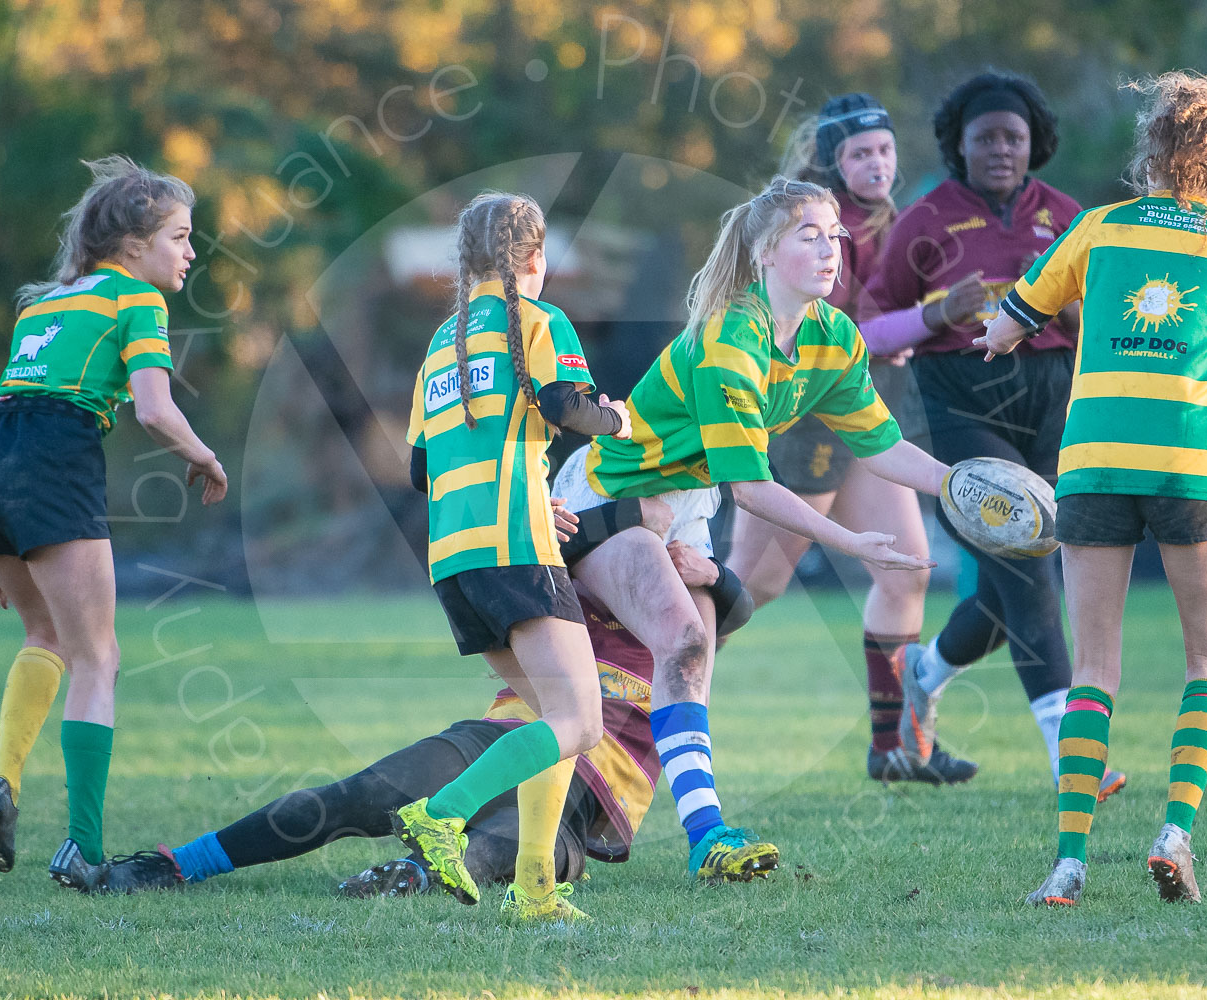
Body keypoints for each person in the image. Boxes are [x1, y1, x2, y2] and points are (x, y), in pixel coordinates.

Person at [552, 176, 948, 882]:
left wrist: (958, 483)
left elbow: (881, 446)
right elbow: (753, 488)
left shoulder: (833, 338)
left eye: (835, 236)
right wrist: (851, 543)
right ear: (764, 253)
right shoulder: (731, 337)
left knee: (691, 655)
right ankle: (694, 831)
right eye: (809, 236)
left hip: (688, 506)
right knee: (674, 642)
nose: (830, 250)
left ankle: (678, 828)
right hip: (612, 492)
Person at [103, 517, 758, 900]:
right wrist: (567, 522)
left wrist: (718, 575)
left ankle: (413, 874)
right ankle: (181, 862)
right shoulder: (570, 564)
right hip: (498, 736)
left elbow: (736, 612)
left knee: (512, 849)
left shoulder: (692, 613)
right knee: (361, 794)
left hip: (591, 787)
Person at [971, 72, 1207, 906]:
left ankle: (1068, 864)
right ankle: (1174, 834)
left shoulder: (1096, 228)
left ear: (1149, 153)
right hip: (1192, 465)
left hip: (1094, 463)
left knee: (1094, 669)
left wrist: (991, 333)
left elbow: (1007, 326)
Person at [0, 155, 228, 891]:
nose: (191, 252)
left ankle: (3, 780)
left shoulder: (44, 303)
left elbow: (17, 404)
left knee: (44, 633)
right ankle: (83, 848)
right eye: (180, 237)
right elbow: (154, 409)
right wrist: (206, 458)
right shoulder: (138, 299)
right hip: (50, 454)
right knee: (98, 658)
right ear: (134, 246)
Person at [861, 72, 1125, 797]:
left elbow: (1107, 320)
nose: (1001, 149)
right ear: (960, 145)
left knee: (1019, 580)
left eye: (1014, 137)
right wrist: (938, 314)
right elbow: (866, 329)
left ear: (1034, 143)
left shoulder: (1070, 218)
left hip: (1054, 402)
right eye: (985, 138)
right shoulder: (925, 220)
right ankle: (1073, 757)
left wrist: (1064, 313)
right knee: (1027, 562)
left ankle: (925, 672)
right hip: (961, 406)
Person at [377, 191, 631, 922]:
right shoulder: (539, 320)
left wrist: (523, 487)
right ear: (533, 258)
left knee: (550, 717)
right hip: (516, 548)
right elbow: (565, 406)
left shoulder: (443, 342)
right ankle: (441, 815)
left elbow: (421, 469)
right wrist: (616, 419)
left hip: (455, 559)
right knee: (581, 722)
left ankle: (535, 890)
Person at [725, 93, 975, 786]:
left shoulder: (898, 222)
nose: (877, 163)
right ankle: (643, 696)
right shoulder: (818, 229)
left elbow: (893, 324)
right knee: (751, 587)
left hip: (862, 418)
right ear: (832, 162)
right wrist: (928, 319)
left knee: (906, 569)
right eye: (860, 153)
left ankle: (896, 747)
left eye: (884, 149)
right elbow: (846, 334)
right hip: (806, 422)